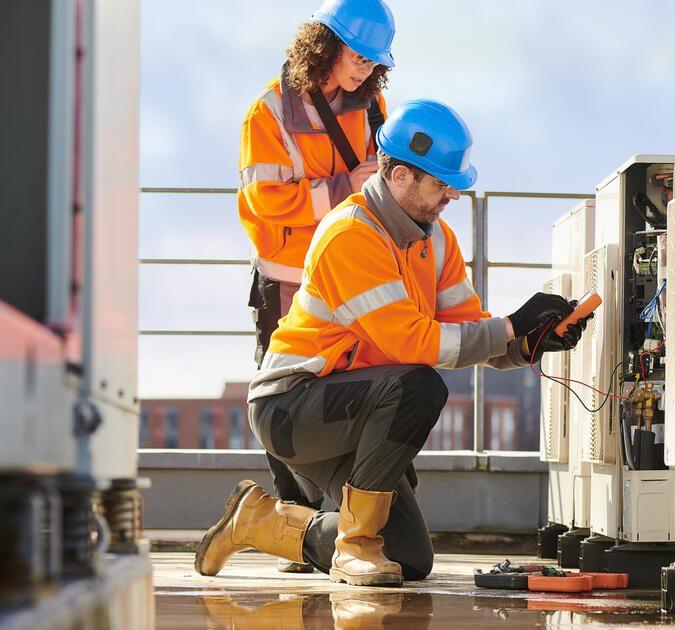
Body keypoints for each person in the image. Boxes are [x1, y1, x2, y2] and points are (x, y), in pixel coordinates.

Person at [197, 99, 590, 586]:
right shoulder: (350, 234)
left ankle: (259, 521)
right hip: (293, 407)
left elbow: (467, 326)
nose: (452, 194)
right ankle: (355, 546)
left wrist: (529, 342)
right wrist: (511, 326)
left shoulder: (436, 238)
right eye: (442, 183)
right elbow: (413, 342)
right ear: (401, 175)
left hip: (356, 409)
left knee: (407, 559)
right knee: (421, 386)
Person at [237, 0, 394, 573]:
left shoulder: (373, 102)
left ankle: (330, 526)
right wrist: (343, 186)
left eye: (375, 61)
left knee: (347, 389)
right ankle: (290, 524)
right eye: (358, 56)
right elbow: (264, 201)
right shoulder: (269, 112)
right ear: (326, 44)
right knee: (284, 398)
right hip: (288, 279)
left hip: (348, 272)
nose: (365, 69)